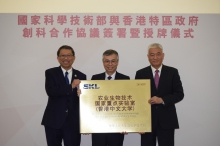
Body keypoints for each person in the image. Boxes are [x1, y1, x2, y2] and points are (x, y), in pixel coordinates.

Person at [135, 43, 184, 146]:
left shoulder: (172, 72)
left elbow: (179, 94)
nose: (155, 57)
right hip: (147, 122)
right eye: (152, 55)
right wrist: (139, 122)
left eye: (158, 54)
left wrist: (162, 100)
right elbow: (137, 99)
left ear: (163, 55)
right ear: (148, 57)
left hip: (167, 120)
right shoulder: (140, 73)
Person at [41, 45, 86, 146]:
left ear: (73, 58)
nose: (66, 58)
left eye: (69, 55)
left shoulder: (81, 76)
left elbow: (84, 101)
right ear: (58, 58)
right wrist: (71, 86)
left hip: (73, 122)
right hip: (53, 120)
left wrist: (82, 96)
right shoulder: (50, 73)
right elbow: (51, 91)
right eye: (62, 55)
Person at [91, 49, 130, 146]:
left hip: (118, 127)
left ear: (117, 62)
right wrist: (82, 94)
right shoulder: (95, 78)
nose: (110, 64)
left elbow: (128, 103)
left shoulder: (125, 79)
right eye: (107, 61)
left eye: (113, 61)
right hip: (98, 126)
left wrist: (127, 124)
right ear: (103, 62)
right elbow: (91, 102)